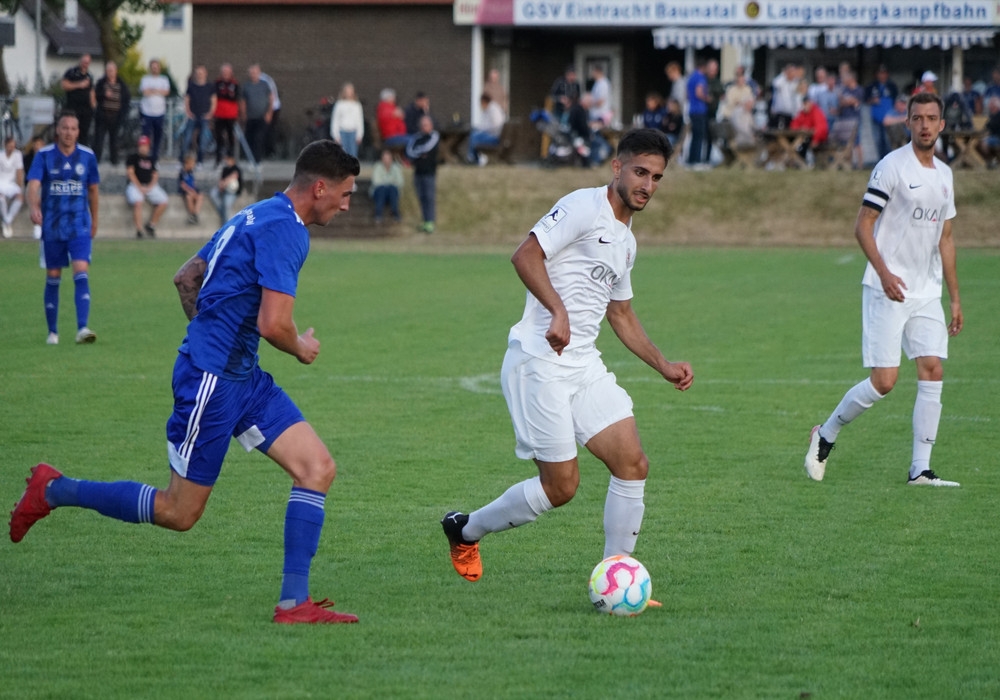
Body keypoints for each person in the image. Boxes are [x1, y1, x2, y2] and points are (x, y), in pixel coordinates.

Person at [9, 139, 363, 625]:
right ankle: (54, 489)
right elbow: (273, 324)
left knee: (317, 468)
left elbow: (186, 277)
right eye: (345, 194)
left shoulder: (255, 213)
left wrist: (212, 335)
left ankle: (293, 604)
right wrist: (299, 347)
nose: (346, 205)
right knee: (179, 512)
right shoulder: (288, 231)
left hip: (242, 377)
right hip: (213, 382)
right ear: (320, 188)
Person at [440, 128, 693, 587]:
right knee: (561, 487)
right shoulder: (582, 206)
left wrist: (664, 365)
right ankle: (465, 529)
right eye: (640, 172)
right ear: (617, 167)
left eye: (656, 178)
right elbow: (525, 255)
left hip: (583, 365)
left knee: (633, 465)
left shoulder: (627, 241)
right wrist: (557, 311)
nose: (647, 185)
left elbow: (620, 313)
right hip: (539, 361)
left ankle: (617, 577)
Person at [804, 93, 963, 488]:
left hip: (926, 292)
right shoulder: (891, 166)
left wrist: (955, 298)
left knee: (932, 368)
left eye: (931, 118)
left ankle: (920, 470)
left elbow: (946, 239)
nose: (925, 125)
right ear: (907, 123)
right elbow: (863, 225)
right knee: (884, 381)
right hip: (886, 288)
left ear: (942, 125)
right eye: (917, 118)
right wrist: (885, 274)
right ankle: (826, 434)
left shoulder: (945, 175)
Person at [26, 112, 100, 345]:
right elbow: (33, 185)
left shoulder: (87, 156)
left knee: (81, 271)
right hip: (52, 227)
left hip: (79, 225)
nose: (69, 132)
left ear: (78, 132)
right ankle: (53, 332)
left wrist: (95, 220)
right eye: (65, 128)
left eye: (73, 128)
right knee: (53, 276)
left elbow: (93, 190)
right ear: (57, 130)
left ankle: (82, 328)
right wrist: (33, 207)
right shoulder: (44, 155)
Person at [125, 135, 169, 239]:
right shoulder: (133, 158)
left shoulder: (152, 159)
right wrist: (139, 187)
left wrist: (149, 187)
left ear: (148, 147)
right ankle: (139, 230)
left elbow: (155, 175)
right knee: (138, 202)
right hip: (135, 185)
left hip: (149, 186)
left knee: (163, 200)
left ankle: (151, 225)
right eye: (141, 145)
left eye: (145, 146)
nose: (142, 148)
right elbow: (130, 173)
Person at [405, 115, 439, 233]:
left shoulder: (434, 136)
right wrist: (420, 154)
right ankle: (424, 221)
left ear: (431, 125)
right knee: (421, 197)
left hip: (429, 172)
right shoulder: (416, 138)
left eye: (426, 125)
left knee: (429, 197)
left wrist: (418, 152)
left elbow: (427, 148)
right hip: (418, 172)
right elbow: (409, 151)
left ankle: (430, 222)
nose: (424, 127)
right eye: (422, 125)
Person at [93, 60, 130, 165]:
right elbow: (95, 95)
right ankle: (96, 160)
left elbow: (126, 99)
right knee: (99, 139)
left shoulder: (121, 84)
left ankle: (114, 161)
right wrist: (104, 94)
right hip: (103, 115)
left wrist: (123, 113)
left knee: (114, 140)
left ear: (116, 71)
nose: (110, 73)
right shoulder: (101, 83)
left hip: (116, 116)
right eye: (108, 70)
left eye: (112, 70)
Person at [181, 65, 216, 168]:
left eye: (201, 73)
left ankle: (200, 161)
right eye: (197, 73)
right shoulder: (191, 86)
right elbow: (187, 99)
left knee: (203, 140)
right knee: (187, 138)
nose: (199, 75)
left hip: (204, 116)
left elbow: (214, 100)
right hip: (192, 116)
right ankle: (182, 161)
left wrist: (210, 113)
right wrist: (188, 112)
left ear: (205, 74)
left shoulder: (210, 86)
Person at [139, 59, 171, 165]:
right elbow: (145, 92)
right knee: (145, 137)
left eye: (156, 67)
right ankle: (144, 158)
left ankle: (154, 159)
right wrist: (158, 91)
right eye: (153, 67)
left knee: (158, 137)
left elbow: (166, 92)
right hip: (146, 112)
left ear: (159, 68)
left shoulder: (164, 79)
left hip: (159, 113)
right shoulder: (145, 79)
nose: (155, 69)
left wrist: (153, 90)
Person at [241, 64, 274, 163]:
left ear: (259, 73)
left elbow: (271, 99)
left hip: (262, 117)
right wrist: (243, 114)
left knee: (258, 138)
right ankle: (250, 159)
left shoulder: (265, 85)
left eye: (255, 73)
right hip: (250, 117)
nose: (253, 75)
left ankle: (257, 160)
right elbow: (243, 101)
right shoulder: (246, 86)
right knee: (250, 138)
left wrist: (269, 113)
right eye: (251, 73)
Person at [61, 54, 96, 147]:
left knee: (84, 133)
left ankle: (82, 151)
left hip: (86, 110)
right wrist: (79, 84)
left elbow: (91, 91)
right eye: (84, 62)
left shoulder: (89, 75)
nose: (85, 64)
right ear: (80, 61)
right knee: (72, 131)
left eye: (87, 63)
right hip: (73, 108)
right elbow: (64, 85)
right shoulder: (72, 72)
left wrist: (93, 106)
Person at [866, 65, 900, 161]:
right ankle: (880, 160)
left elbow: (896, 102)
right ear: (877, 74)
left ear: (887, 74)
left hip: (889, 118)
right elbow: (865, 100)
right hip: (876, 118)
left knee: (888, 140)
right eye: (880, 73)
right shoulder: (872, 86)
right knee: (878, 140)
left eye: (884, 73)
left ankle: (888, 160)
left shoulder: (892, 86)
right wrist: (873, 100)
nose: (882, 75)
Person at [466, 93, 505, 165]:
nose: (480, 105)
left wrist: (482, 129)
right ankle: (473, 158)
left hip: (495, 137)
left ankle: (472, 158)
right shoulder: (487, 109)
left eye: (481, 103)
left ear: (484, 101)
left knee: (474, 136)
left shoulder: (494, 110)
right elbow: (484, 124)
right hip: (490, 135)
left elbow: (496, 125)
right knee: (474, 135)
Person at [789, 95, 829, 164]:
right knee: (794, 141)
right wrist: (800, 128)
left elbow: (821, 128)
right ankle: (799, 162)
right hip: (806, 137)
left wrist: (816, 140)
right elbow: (794, 124)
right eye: (804, 104)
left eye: (806, 103)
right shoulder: (802, 113)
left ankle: (802, 163)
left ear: (810, 103)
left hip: (818, 138)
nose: (805, 106)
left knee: (804, 143)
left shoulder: (817, 112)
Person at [214, 64, 240, 166]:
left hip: (231, 115)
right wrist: (227, 95)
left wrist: (225, 95)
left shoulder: (234, 84)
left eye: (227, 72)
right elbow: (217, 95)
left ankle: (230, 158)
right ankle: (218, 158)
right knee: (219, 137)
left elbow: (235, 97)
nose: (225, 74)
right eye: (224, 72)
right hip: (219, 114)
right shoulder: (217, 83)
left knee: (230, 137)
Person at [686, 58, 710, 167]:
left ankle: (691, 160)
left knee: (694, 136)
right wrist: (707, 98)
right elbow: (699, 92)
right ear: (703, 67)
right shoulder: (700, 77)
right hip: (699, 110)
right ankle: (697, 161)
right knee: (700, 136)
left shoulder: (691, 77)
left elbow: (687, 95)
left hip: (692, 109)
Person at [330, 82, 364, 158]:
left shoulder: (357, 105)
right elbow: (335, 120)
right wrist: (335, 135)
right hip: (342, 132)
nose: (349, 93)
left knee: (353, 155)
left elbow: (359, 120)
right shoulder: (339, 104)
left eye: (351, 91)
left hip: (353, 133)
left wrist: (360, 135)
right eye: (347, 91)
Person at [369, 148, 403, 223]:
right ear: (382, 159)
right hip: (379, 191)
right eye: (384, 158)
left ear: (391, 159)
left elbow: (400, 182)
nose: (386, 160)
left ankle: (395, 212)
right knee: (382, 189)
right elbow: (376, 182)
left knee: (392, 189)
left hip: (392, 191)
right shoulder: (377, 166)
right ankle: (378, 214)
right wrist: (390, 183)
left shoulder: (396, 168)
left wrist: (388, 184)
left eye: (388, 158)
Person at [0, 135, 25, 238]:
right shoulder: (0, 155)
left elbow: (19, 171)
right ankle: (6, 221)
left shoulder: (18, 155)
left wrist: (18, 187)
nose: (11, 148)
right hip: (1, 183)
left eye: (13, 146)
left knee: (20, 198)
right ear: (5, 145)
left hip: (11, 184)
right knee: (1, 198)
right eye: (10, 146)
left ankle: (7, 220)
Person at [209, 151, 243, 225]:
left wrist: (224, 183)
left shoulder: (236, 168)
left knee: (226, 204)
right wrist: (221, 185)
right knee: (213, 193)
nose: (226, 161)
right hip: (224, 189)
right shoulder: (225, 169)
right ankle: (224, 215)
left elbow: (233, 176)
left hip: (232, 192)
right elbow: (221, 179)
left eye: (228, 159)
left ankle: (226, 223)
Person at [260, 68, 282, 158]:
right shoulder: (263, 79)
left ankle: (269, 152)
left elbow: (271, 97)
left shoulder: (264, 80)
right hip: (265, 108)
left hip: (272, 108)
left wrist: (269, 112)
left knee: (268, 130)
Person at [178, 153, 204, 225]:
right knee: (189, 197)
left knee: (200, 196)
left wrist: (195, 191)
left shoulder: (191, 172)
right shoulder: (182, 172)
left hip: (192, 190)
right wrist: (189, 190)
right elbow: (182, 185)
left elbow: (193, 183)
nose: (193, 166)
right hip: (186, 191)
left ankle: (195, 214)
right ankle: (192, 215)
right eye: (192, 164)